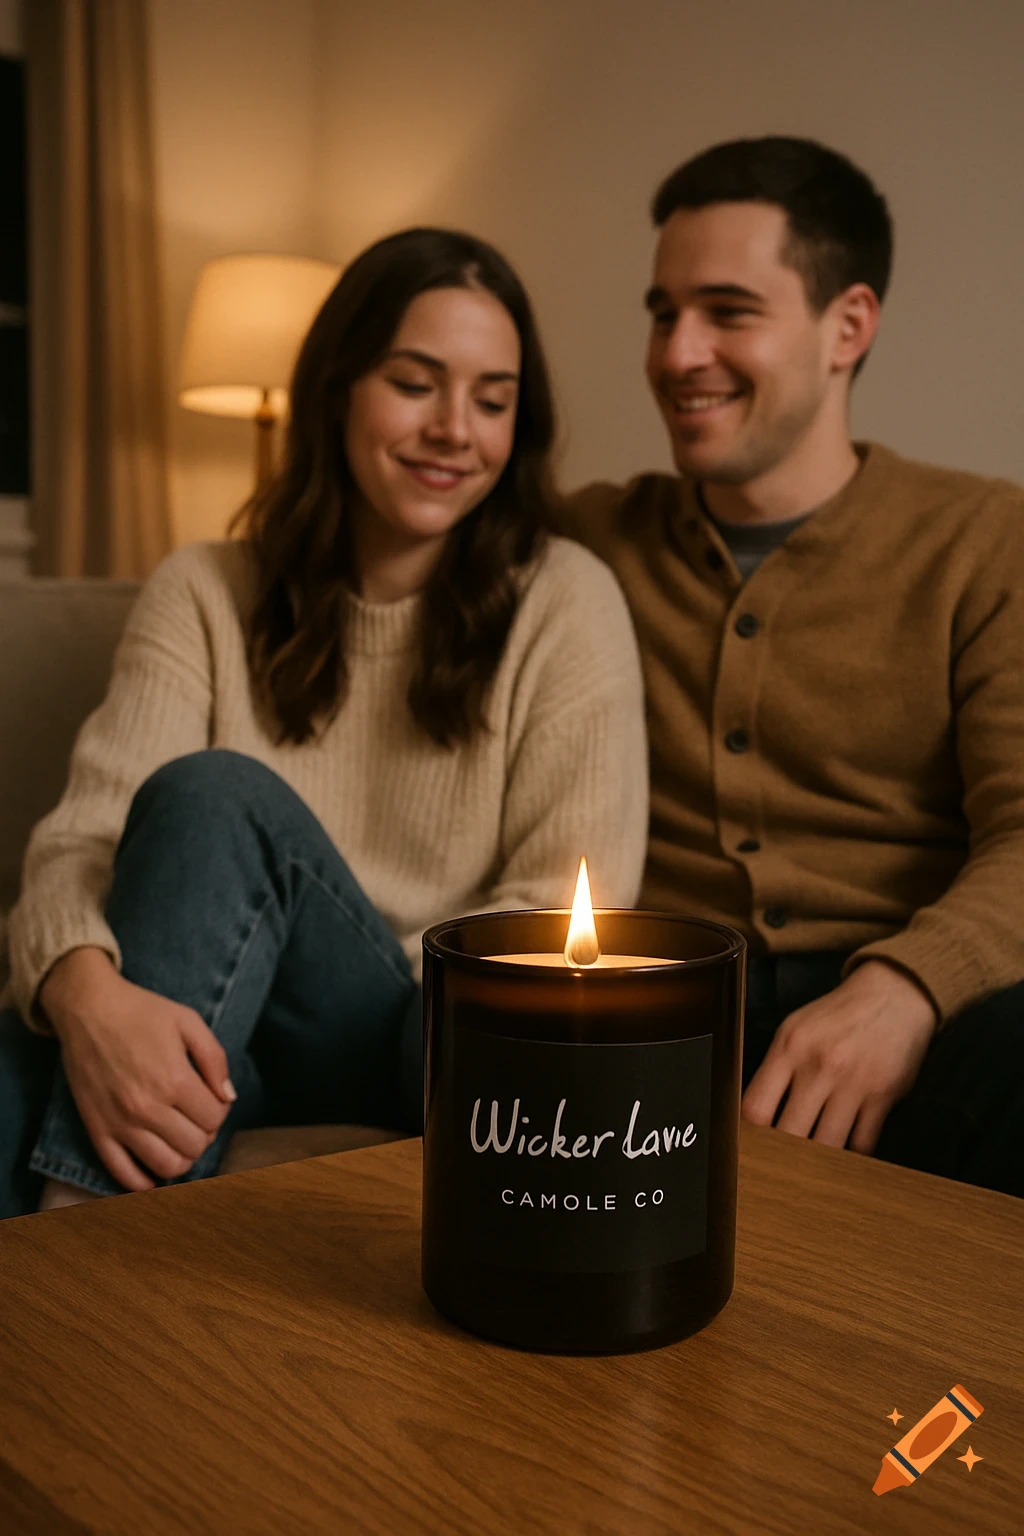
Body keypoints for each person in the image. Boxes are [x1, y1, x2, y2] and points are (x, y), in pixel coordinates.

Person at [0, 227, 648, 1220]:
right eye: (415, 382)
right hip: (223, 1030)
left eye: (492, 399)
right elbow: (83, 845)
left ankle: (78, 1246)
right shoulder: (205, 589)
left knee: (218, 794)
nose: (454, 429)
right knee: (20, 1052)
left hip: (422, 1031)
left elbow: (555, 915)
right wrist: (85, 999)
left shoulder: (564, 600)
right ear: (336, 386)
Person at [555, 136, 1024, 1197]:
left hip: (903, 1023)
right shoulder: (583, 539)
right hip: (656, 1013)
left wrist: (909, 988)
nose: (676, 354)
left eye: (727, 311)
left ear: (846, 325)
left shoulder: (986, 538)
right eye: (662, 311)